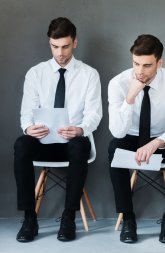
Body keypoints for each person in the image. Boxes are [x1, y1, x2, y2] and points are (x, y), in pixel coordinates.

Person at [14, 17, 102, 242]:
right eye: (55, 46)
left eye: (65, 46)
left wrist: (80, 129)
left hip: (73, 144)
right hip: (43, 142)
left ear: (75, 42)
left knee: (80, 146)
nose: (60, 52)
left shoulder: (89, 74)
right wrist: (28, 128)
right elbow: (26, 113)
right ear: (49, 44)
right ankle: (29, 218)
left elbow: (94, 114)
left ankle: (68, 217)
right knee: (21, 144)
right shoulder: (36, 73)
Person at [108, 34, 165, 244]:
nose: (140, 71)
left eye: (146, 65)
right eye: (136, 63)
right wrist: (130, 97)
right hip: (131, 137)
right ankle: (128, 218)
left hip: (160, 140)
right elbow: (117, 131)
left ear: (159, 63)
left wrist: (156, 143)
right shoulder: (118, 83)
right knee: (114, 146)